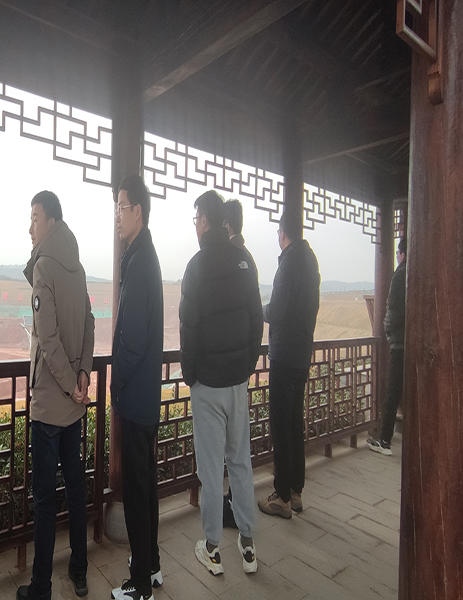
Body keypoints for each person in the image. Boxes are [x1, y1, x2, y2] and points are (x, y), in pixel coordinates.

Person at [180, 190, 263, 576]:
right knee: (240, 461)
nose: (195, 226)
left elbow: (188, 328)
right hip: (236, 382)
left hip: (208, 385)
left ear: (205, 220)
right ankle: (248, 545)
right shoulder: (245, 260)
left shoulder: (196, 266)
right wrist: (246, 366)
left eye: (196, 219)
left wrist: (191, 376)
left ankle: (212, 548)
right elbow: (256, 320)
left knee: (211, 469)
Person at [17, 191, 95, 600]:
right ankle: (79, 572)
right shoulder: (77, 267)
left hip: (49, 406)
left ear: (50, 222)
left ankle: (41, 586)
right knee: (76, 488)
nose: (30, 227)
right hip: (73, 405)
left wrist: (68, 385)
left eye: (34, 218)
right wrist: (82, 375)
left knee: (45, 499)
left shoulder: (44, 267)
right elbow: (89, 323)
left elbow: (46, 338)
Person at [110, 175, 164, 600]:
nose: (117, 216)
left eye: (121, 207)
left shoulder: (140, 260)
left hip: (135, 395)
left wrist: (116, 383)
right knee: (146, 486)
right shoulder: (143, 254)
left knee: (136, 491)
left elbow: (134, 339)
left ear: (138, 212)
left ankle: (140, 584)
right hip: (146, 395)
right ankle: (152, 565)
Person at [257, 210, 320, 519]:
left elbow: (278, 310)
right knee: (295, 422)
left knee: (281, 425)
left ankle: (281, 496)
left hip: (284, 355)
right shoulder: (310, 260)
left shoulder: (289, 262)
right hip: (302, 353)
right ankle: (296, 490)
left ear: (282, 233)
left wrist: (259, 310)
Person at [367, 235, 407, 456]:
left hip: (400, 344)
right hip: (410, 343)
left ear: (401, 253)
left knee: (392, 391)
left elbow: (393, 310)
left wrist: (387, 330)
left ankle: (384, 440)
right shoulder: (415, 271)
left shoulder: (401, 274)